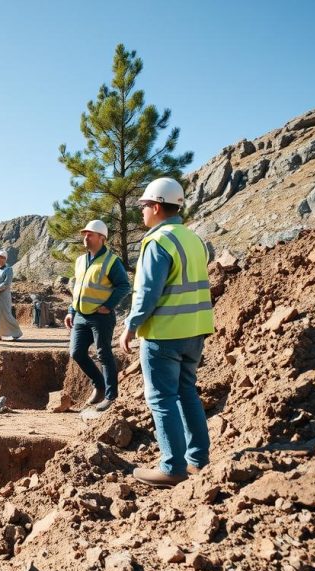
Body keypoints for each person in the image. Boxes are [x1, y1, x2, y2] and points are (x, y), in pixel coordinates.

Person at [118, 177, 215, 488]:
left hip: (165, 334)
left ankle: (172, 467)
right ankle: (197, 461)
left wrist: (131, 325)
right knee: (187, 392)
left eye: (144, 206)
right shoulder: (194, 239)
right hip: (196, 331)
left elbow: (147, 292)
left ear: (157, 206)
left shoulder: (157, 241)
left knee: (161, 398)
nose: (142, 213)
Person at [63, 219, 131, 412]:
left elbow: (124, 286)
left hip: (100, 317)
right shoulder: (80, 261)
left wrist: (109, 305)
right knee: (76, 352)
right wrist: (71, 311)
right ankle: (100, 385)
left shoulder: (111, 261)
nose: (85, 237)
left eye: (90, 234)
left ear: (102, 238)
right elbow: (78, 288)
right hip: (81, 316)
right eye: (84, 234)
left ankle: (111, 396)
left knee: (103, 354)